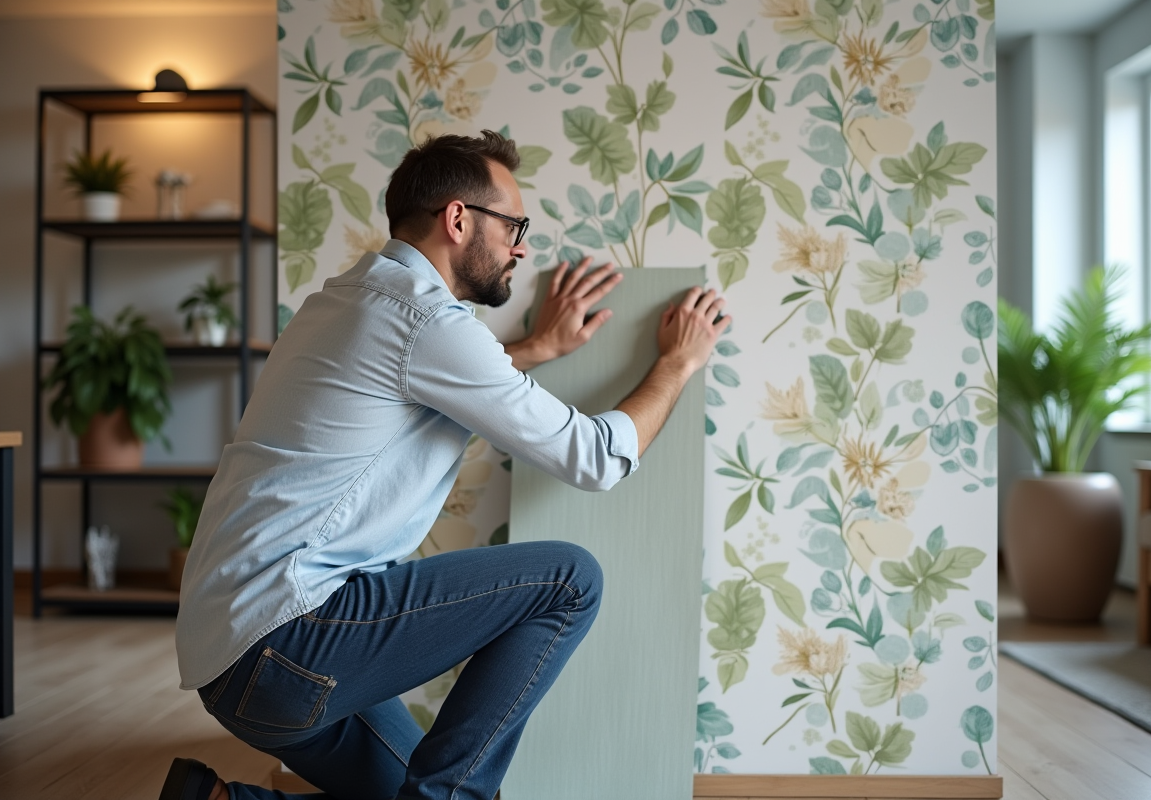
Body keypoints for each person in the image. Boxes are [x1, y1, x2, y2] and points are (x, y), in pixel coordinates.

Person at [160, 130, 730, 800]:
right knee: (571, 580)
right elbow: (597, 458)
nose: (521, 246)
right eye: (515, 225)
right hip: (288, 640)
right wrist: (675, 366)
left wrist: (537, 346)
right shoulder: (425, 321)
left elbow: (420, 388)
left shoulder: (346, 301)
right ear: (459, 219)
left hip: (232, 666)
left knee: (405, 786)